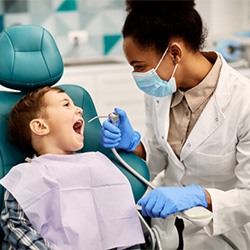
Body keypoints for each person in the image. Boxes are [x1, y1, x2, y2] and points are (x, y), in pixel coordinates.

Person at [101, 0, 250, 249]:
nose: (137, 75)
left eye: (140, 66)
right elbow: (159, 159)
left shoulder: (244, 102)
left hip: (223, 236)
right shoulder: (160, 90)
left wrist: (199, 196)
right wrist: (135, 146)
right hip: (167, 228)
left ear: (174, 53)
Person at [0, 86, 144, 250]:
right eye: (66, 105)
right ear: (41, 127)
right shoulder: (27, 176)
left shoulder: (96, 163)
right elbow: (15, 226)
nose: (80, 110)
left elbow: (122, 225)